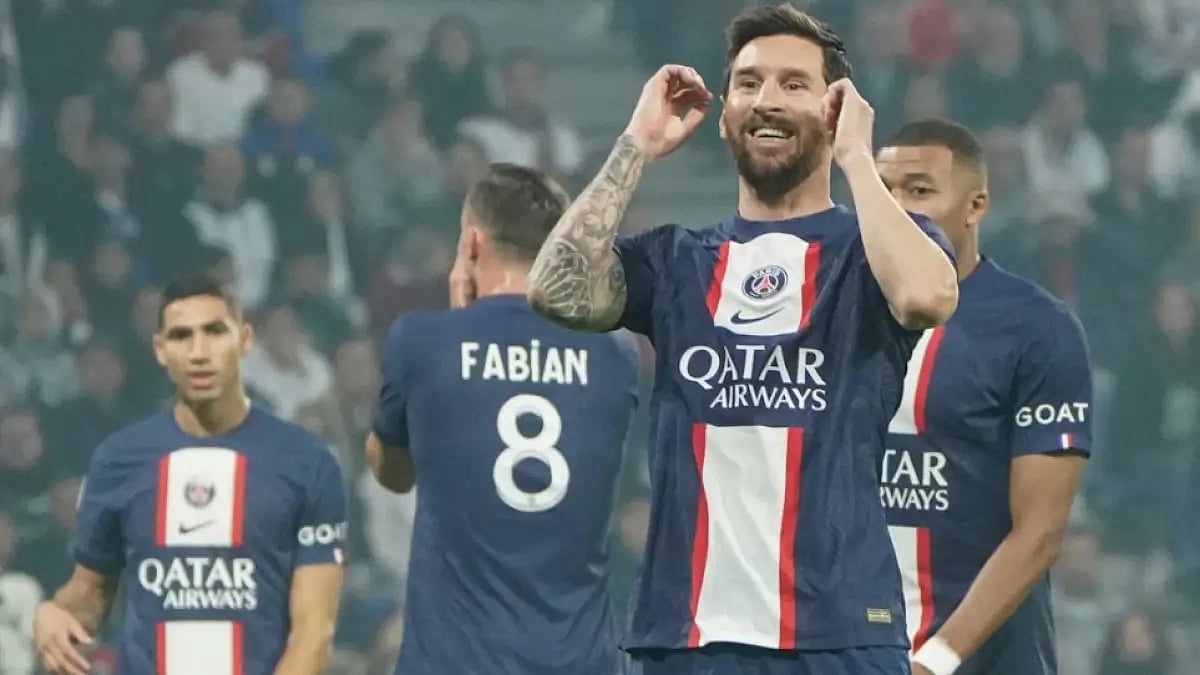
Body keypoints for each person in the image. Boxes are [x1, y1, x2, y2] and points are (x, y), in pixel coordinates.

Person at [526, 3, 959, 674]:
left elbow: (927, 295)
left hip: (841, 630)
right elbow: (555, 289)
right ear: (726, 111)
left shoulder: (872, 251)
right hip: (688, 634)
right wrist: (636, 144)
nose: (768, 100)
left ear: (836, 107)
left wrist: (857, 160)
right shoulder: (678, 261)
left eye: (794, 84)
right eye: (751, 83)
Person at [366, 163, 640, 674]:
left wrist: (460, 325)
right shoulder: (615, 355)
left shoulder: (421, 342)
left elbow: (392, 473)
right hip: (577, 660)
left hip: (456, 661)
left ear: (472, 244)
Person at [33, 277, 347, 675]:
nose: (199, 352)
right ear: (161, 350)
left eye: (215, 332)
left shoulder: (305, 462)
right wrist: (55, 612)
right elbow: (90, 592)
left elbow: (313, 629)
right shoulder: (118, 461)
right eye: (182, 336)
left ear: (245, 340)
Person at [875, 119, 1091, 675]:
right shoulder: (833, 313)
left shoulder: (1036, 328)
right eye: (884, 191)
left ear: (976, 207)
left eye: (920, 191)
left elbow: (1040, 533)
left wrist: (934, 662)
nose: (898, 207)